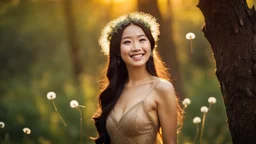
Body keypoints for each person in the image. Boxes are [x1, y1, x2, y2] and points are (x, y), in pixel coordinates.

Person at [92, 12, 183, 144]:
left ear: (151, 46)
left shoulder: (162, 88)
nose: (136, 47)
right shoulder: (113, 91)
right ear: (117, 50)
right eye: (127, 42)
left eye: (142, 40)